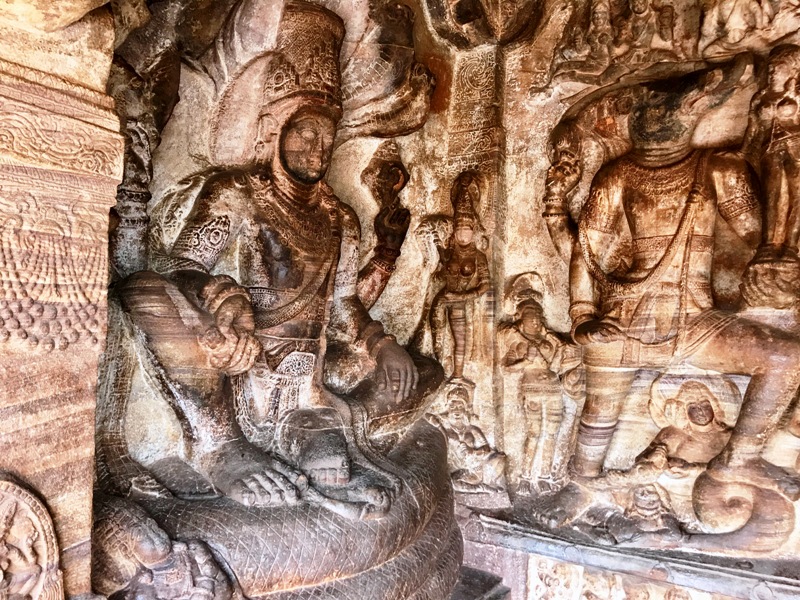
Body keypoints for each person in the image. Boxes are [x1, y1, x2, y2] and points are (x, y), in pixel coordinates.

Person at [568, 70, 800, 507]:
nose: (654, 121)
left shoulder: (719, 169)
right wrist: (583, 318)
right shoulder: (617, 175)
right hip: (623, 321)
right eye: (647, 111)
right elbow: (587, 251)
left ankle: (739, 459)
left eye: (663, 110)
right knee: (594, 426)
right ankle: (580, 488)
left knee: (787, 358)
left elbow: (756, 236)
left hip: (695, 322)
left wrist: (775, 172)